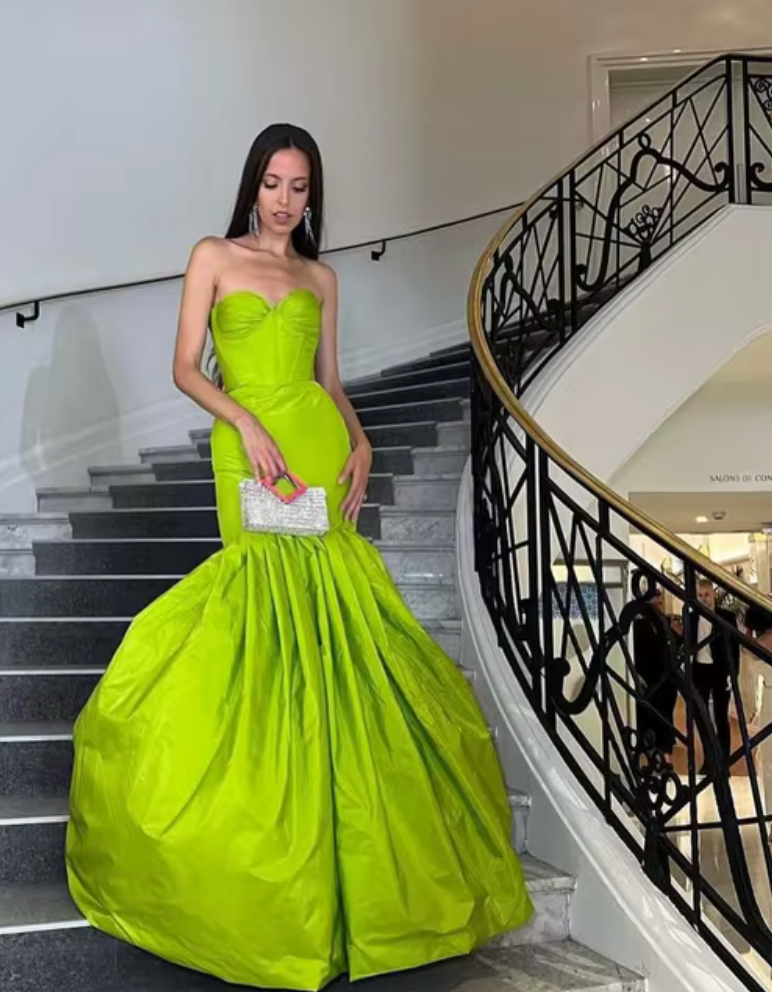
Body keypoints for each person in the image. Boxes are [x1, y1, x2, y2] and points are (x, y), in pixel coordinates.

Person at [65, 123, 532, 991]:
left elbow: (329, 382)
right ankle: (266, 823)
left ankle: (345, 841)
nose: (284, 200)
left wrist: (361, 441)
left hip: (316, 445)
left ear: (313, 196)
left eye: (299, 187)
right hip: (246, 448)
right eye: (273, 183)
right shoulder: (213, 256)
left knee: (336, 616)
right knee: (260, 601)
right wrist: (242, 420)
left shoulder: (321, 277)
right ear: (253, 186)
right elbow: (184, 369)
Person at [692, 579, 741, 773]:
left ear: (713, 594)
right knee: (702, 717)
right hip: (700, 670)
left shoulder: (726, 617)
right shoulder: (691, 617)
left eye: (707, 595)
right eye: (700, 596)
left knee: (721, 717)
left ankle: (724, 763)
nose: (704, 599)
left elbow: (735, 647)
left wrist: (733, 674)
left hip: (720, 670)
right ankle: (708, 760)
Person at [632, 587, 677, 754]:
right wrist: (637, 674)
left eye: (660, 602)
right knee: (652, 710)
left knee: (666, 706)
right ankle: (652, 743)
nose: (659, 605)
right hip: (649, 675)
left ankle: (666, 741)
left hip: (666, 674)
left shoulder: (664, 621)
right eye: (656, 603)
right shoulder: (638, 624)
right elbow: (636, 651)